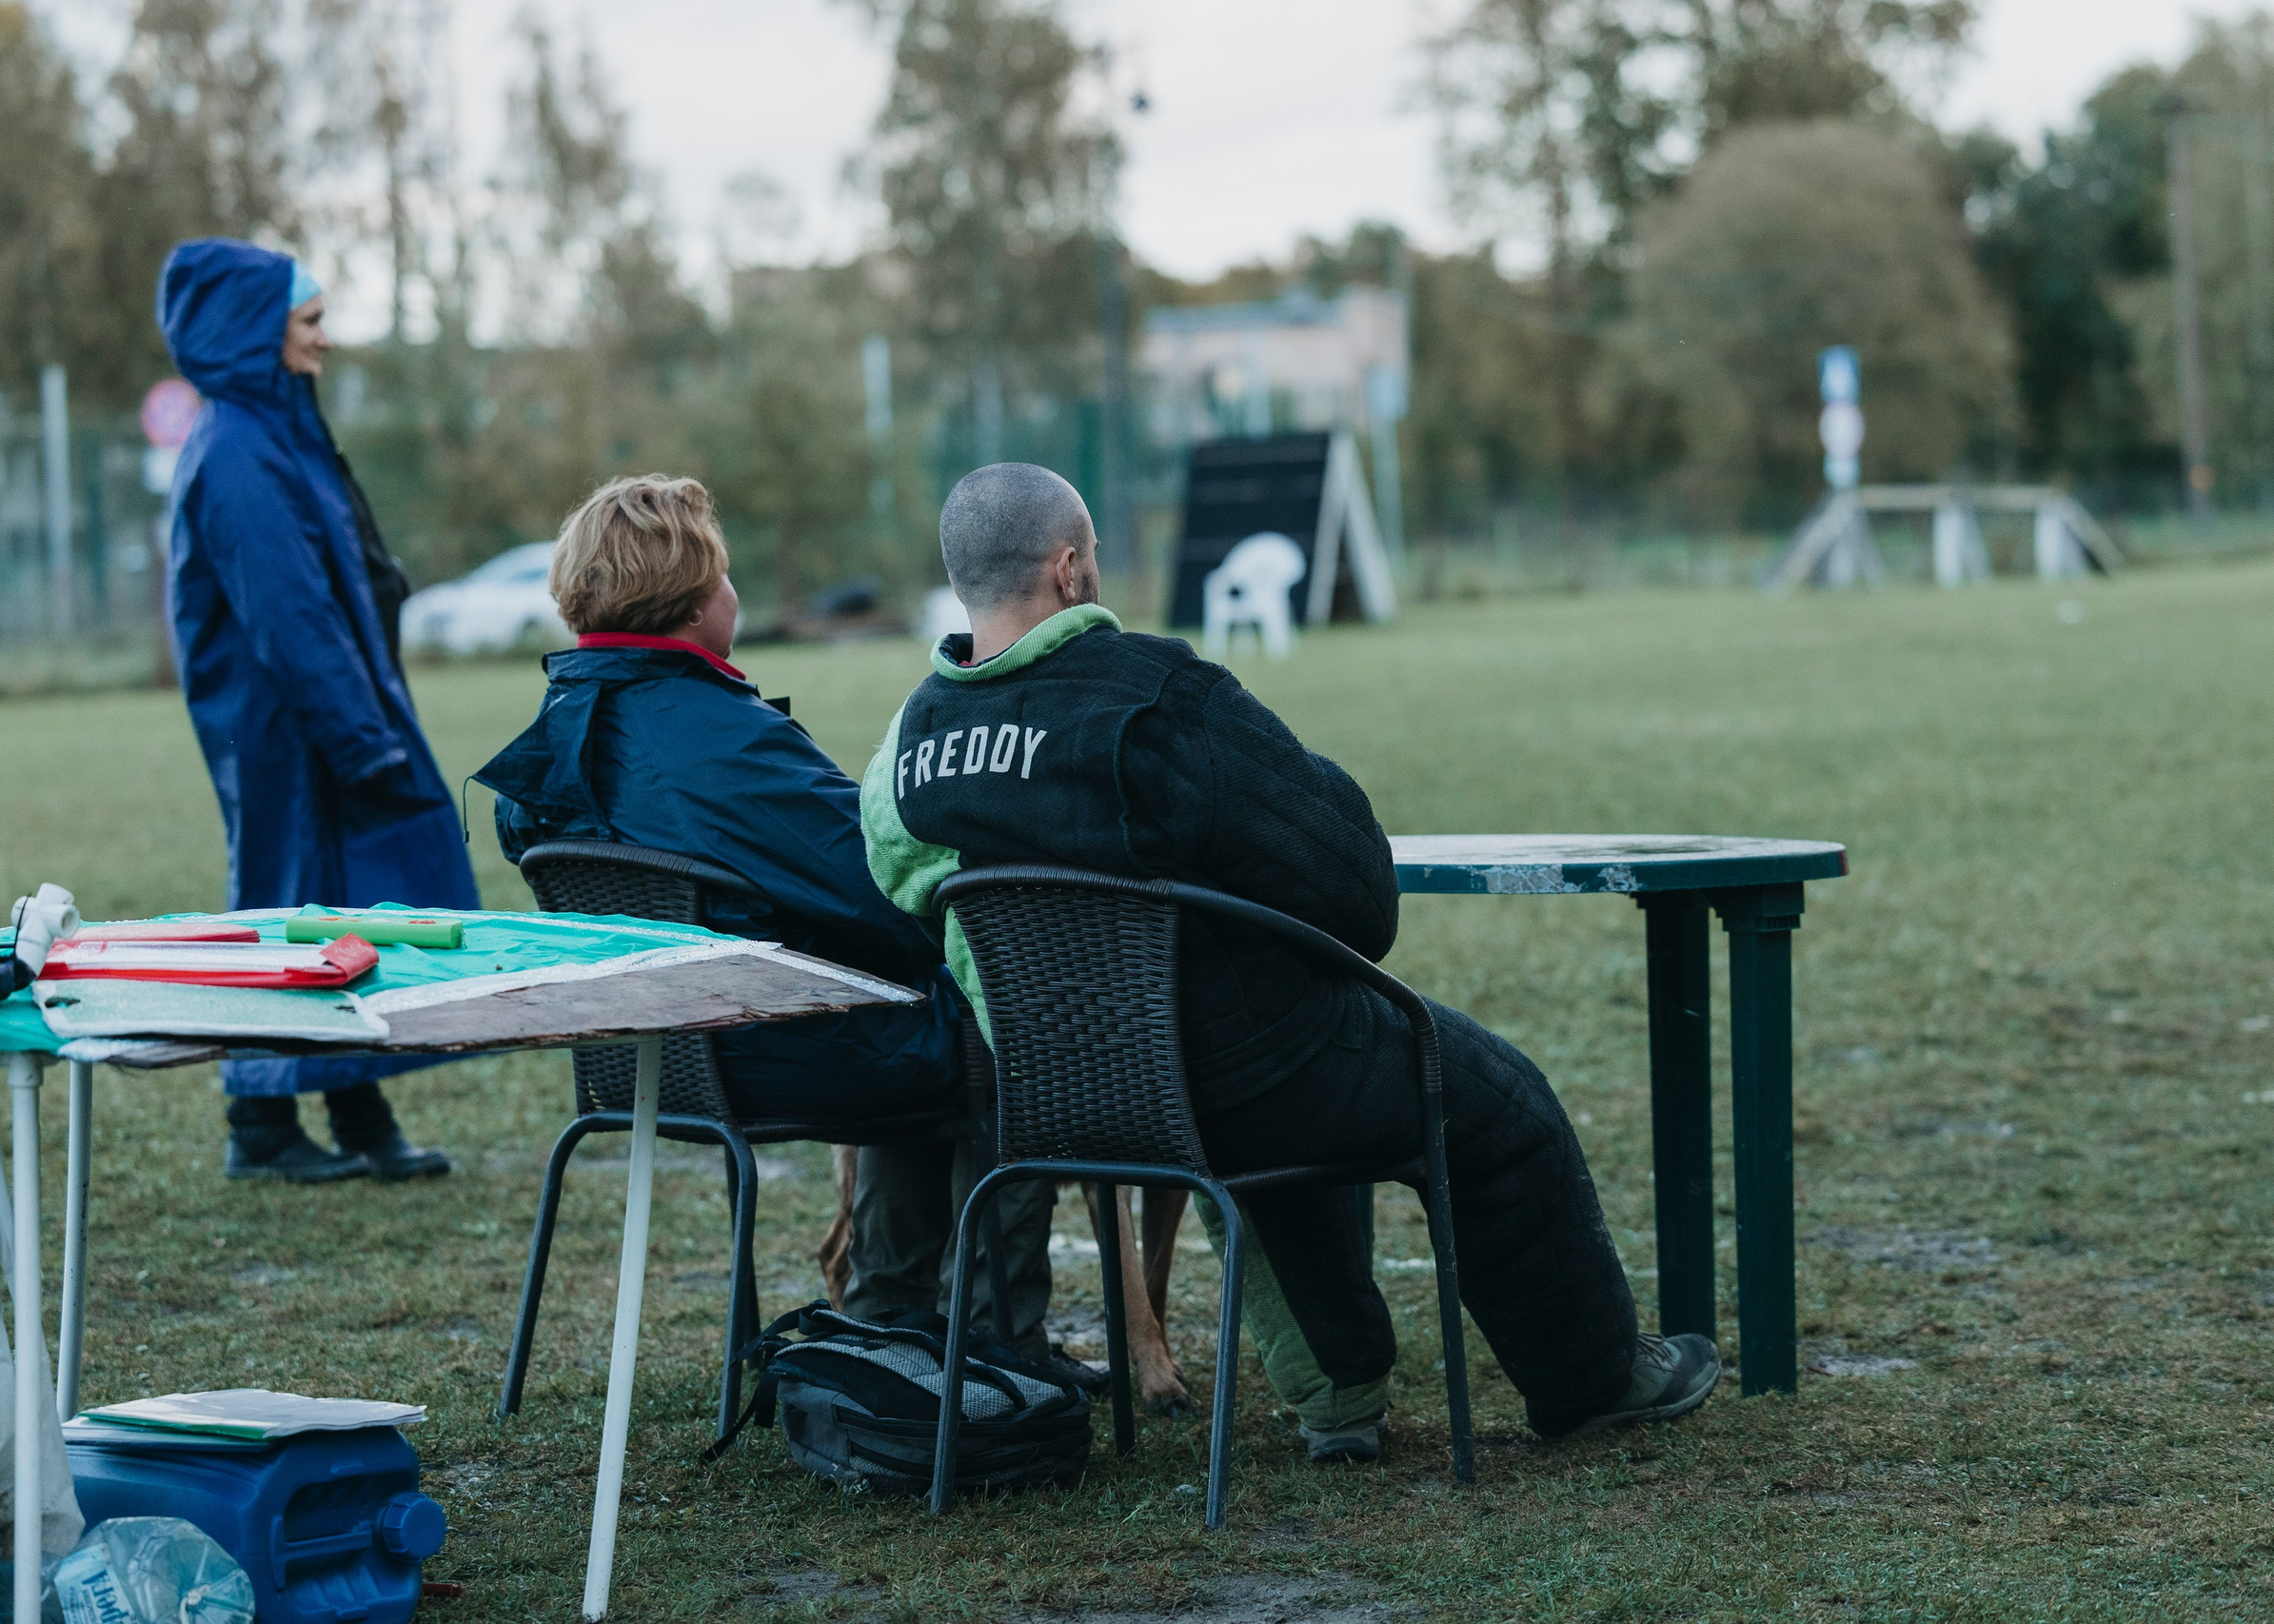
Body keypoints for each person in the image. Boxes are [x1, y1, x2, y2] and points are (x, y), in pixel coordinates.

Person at [861, 463, 1722, 1454]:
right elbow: (1354, 884)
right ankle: (1596, 1380)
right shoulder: (1160, 699)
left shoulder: (907, 746)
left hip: (1055, 1096)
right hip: (1241, 1072)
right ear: (1068, 570)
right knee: (1497, 1105)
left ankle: (1340, 1398)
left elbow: (911, 892)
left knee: (1277, 1088)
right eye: (1090, 553)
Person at [476, 474, 1058, 1349]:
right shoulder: (714, 738)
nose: (731, 590)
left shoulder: (555, 730)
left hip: (640, 1058)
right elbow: (881, 888)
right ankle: (993, 1350)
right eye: (723, 572)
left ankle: (887, 1323)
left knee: (921, 1009)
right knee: (1013, 1024)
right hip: (764, 1049)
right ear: (691, 598)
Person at [157, 239, 468, 1184]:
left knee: (335, 910)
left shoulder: (272, 432)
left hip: (314, 719)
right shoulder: (239, 453)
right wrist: (361, 738)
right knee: (288, 904)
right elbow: (291, 616)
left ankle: (353, 1106)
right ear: (254, 330)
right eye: (310, 320)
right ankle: (258, 1121)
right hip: (289, 730)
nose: (325, 339)